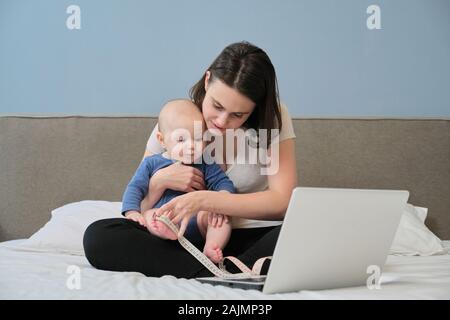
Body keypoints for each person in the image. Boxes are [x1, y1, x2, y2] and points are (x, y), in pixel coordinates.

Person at [83, 41, 298, 278]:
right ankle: (219, 271)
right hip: (180, 238)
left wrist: (205, 200)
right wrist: (158, 183)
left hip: (249, 236)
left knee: (307, 226)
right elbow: (140, 203)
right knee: (99, 236)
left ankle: (231, 265)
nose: (222, 121)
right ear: (207, 81)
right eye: (217, 105)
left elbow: (282, 202)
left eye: (238, 114)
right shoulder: (177, 119)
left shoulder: (272, 119)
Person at [122, 99, 235, 263]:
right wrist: (132, 212)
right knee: (149, 214)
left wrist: (221, 200)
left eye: (197, 139)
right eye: (181, 140)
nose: (191, 146)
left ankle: (211, 246)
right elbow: (135, 188)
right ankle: (165, 232)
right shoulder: (152, 163)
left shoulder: (205, 163)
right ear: (162, 140)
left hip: (196, 220)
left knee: (220, 217)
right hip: (165, 217)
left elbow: (223, 183)